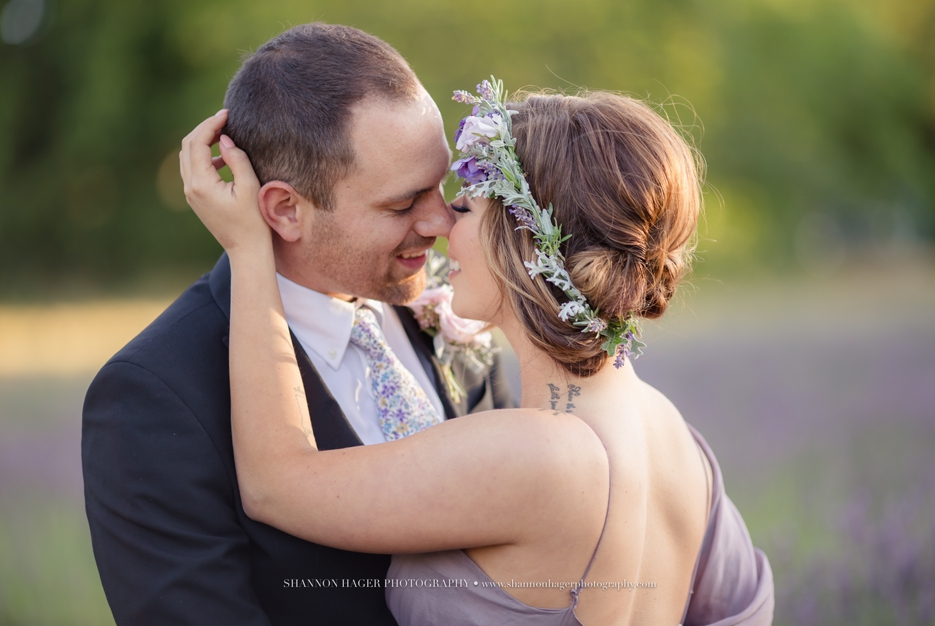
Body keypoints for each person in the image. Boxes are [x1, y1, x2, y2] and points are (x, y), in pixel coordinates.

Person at [182, 76, 775, 625]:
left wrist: (248, 251)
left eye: (464, 206)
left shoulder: (539, 453)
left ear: (521, 242)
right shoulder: (674, 438)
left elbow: (275, 486)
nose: (441, 225)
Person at [82, 24, 514, 626]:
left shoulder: (460, 307)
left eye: (442, 185)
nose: (442, 221)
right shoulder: (152, 395)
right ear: (285, 209)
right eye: (402, 203)